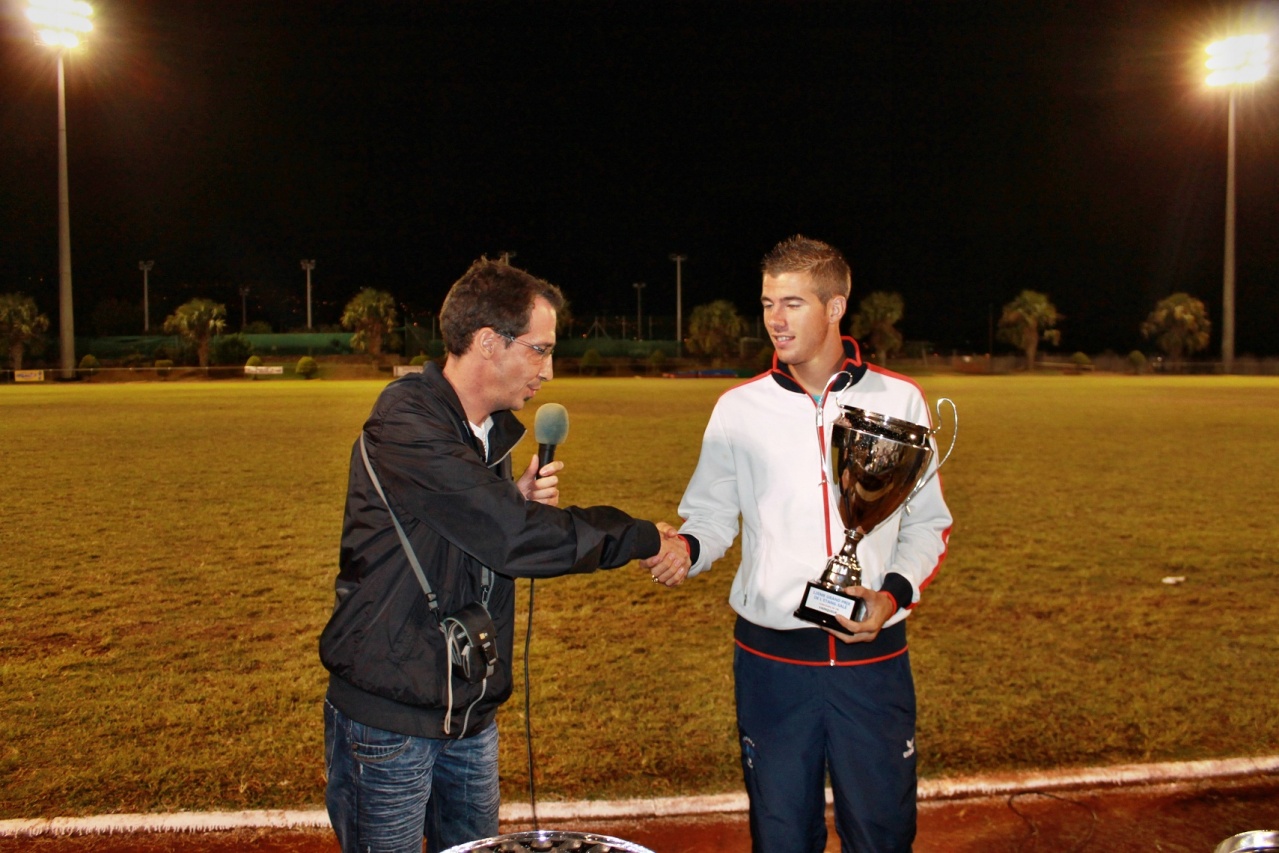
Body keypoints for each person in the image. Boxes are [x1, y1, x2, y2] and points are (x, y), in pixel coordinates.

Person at [320, 258, 689, 853]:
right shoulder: (408, 422)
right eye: (539, 350)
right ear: (488, 343)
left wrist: (505, 496)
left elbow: (470, 528)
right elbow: (513, 538)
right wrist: (642, 536)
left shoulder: (487, 430)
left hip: (469, 711)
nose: (548, 369)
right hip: (390, 721)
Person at [650, 235, 952, 853]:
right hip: (772, 667)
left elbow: (927, 522)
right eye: (766, 304)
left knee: (883, 834)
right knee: (782, 836)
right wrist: (687, 548)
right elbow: (710, 516)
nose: (774, 320)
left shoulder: (898, 399)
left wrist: (891, 598)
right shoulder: (739, 409)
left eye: (792, 303)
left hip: (872, 664)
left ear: (836, 306)